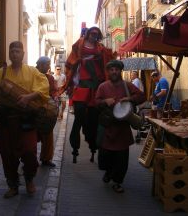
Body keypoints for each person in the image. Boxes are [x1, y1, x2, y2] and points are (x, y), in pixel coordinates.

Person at [0, 41, 49, 198]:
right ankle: (12, 184)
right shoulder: (1, 73)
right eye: (12, 51)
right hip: (7, 121)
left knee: (30, 152)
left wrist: (28, 97)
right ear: (9, 54)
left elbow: (43, 87)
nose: (14, 54)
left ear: (23, 54)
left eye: (18, 51)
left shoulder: (32, 72)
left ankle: (29, 178)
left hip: (26, 120)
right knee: (7, 154)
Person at [62, 26, 113, 163]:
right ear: (88, 34)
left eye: (96, 34)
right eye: (92, 33)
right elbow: (72, 59)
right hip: (82, 83)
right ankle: (75, 143)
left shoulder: (100, 48)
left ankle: (92, 142)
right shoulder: (80, 44)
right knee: (79, 115)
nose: (94, 36)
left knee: (93, 117)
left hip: (96, 83)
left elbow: (107, 61)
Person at [95, 60, 145, 193]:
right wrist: (105, 101)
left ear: (120, 71)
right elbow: (96, 102)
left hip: (122, 128)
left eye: (116, 69)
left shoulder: (127, 85)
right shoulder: (103, 87)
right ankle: (108, 172)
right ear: (108, 72)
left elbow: (141, 96)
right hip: (108, 127)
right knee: (106, 156)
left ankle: (117, 182)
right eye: (111, 69)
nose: (114, 72)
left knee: (121, 159)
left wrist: (130, 99)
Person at [36, 57, 57, 168]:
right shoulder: (32, 75)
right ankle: (29, 159)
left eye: (49, 64)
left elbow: (53, 91)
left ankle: (46, 158)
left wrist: (53, 99)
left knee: (48, 135)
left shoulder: (50, 78)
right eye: (47, 64)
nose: (48, 67)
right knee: (32, 135)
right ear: (40, 65)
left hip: (46, 111)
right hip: (33, 109)